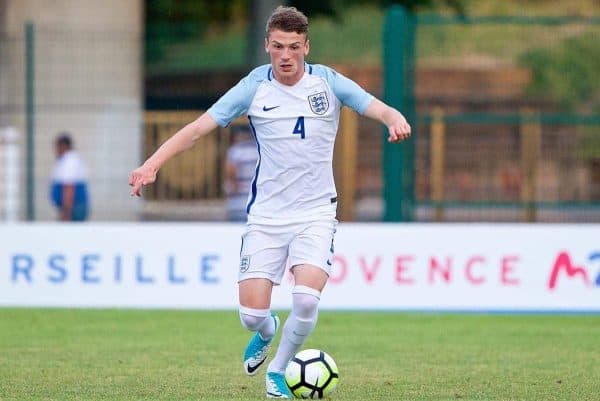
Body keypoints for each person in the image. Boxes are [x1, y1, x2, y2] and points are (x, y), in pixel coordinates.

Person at [129, 6, 410, 398]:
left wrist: (393, 118)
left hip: (316, 212)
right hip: (266, 217)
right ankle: (267, 331)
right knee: (251, 315)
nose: (286, 55)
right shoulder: (253, 87)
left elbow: (374, 105)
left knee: (307, 298)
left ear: (306, 46)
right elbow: (197, 129)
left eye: (294, 47)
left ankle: (277, 371)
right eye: (278, 46)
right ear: (267, 46)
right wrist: (151, 164)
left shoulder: (328, 83)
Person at [50, 133, 90, 221]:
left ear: (63, 146)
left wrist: (66, 212)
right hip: (72, 207)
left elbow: (69, 186)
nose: (55, 150)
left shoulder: (70, 161)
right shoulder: (67, 160)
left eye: (57, 147)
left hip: (74, 208)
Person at [224, 124, 259, 222]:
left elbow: (231, 172)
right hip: (257, 205)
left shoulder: (236, 151)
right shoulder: (260, 151)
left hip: (238, 203)